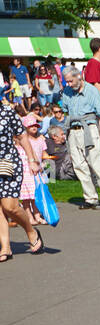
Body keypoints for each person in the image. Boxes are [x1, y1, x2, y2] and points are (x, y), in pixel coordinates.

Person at [59, 65, 100, 210]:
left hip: (89, 129)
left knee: (96, 163)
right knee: (79, 166)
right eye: (67, 81)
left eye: (71, 81)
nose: (69, 84)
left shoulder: (91, 91)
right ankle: (90, 198)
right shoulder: (67, 92)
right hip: (73, 130)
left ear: (78, 76)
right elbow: (66, 110)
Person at [0, 97, 44, 262]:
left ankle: (31, 231)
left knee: (9, 206)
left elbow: (23, 137)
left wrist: (32, 159)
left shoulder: (6, 112)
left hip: (8, 161)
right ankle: (5, 247)